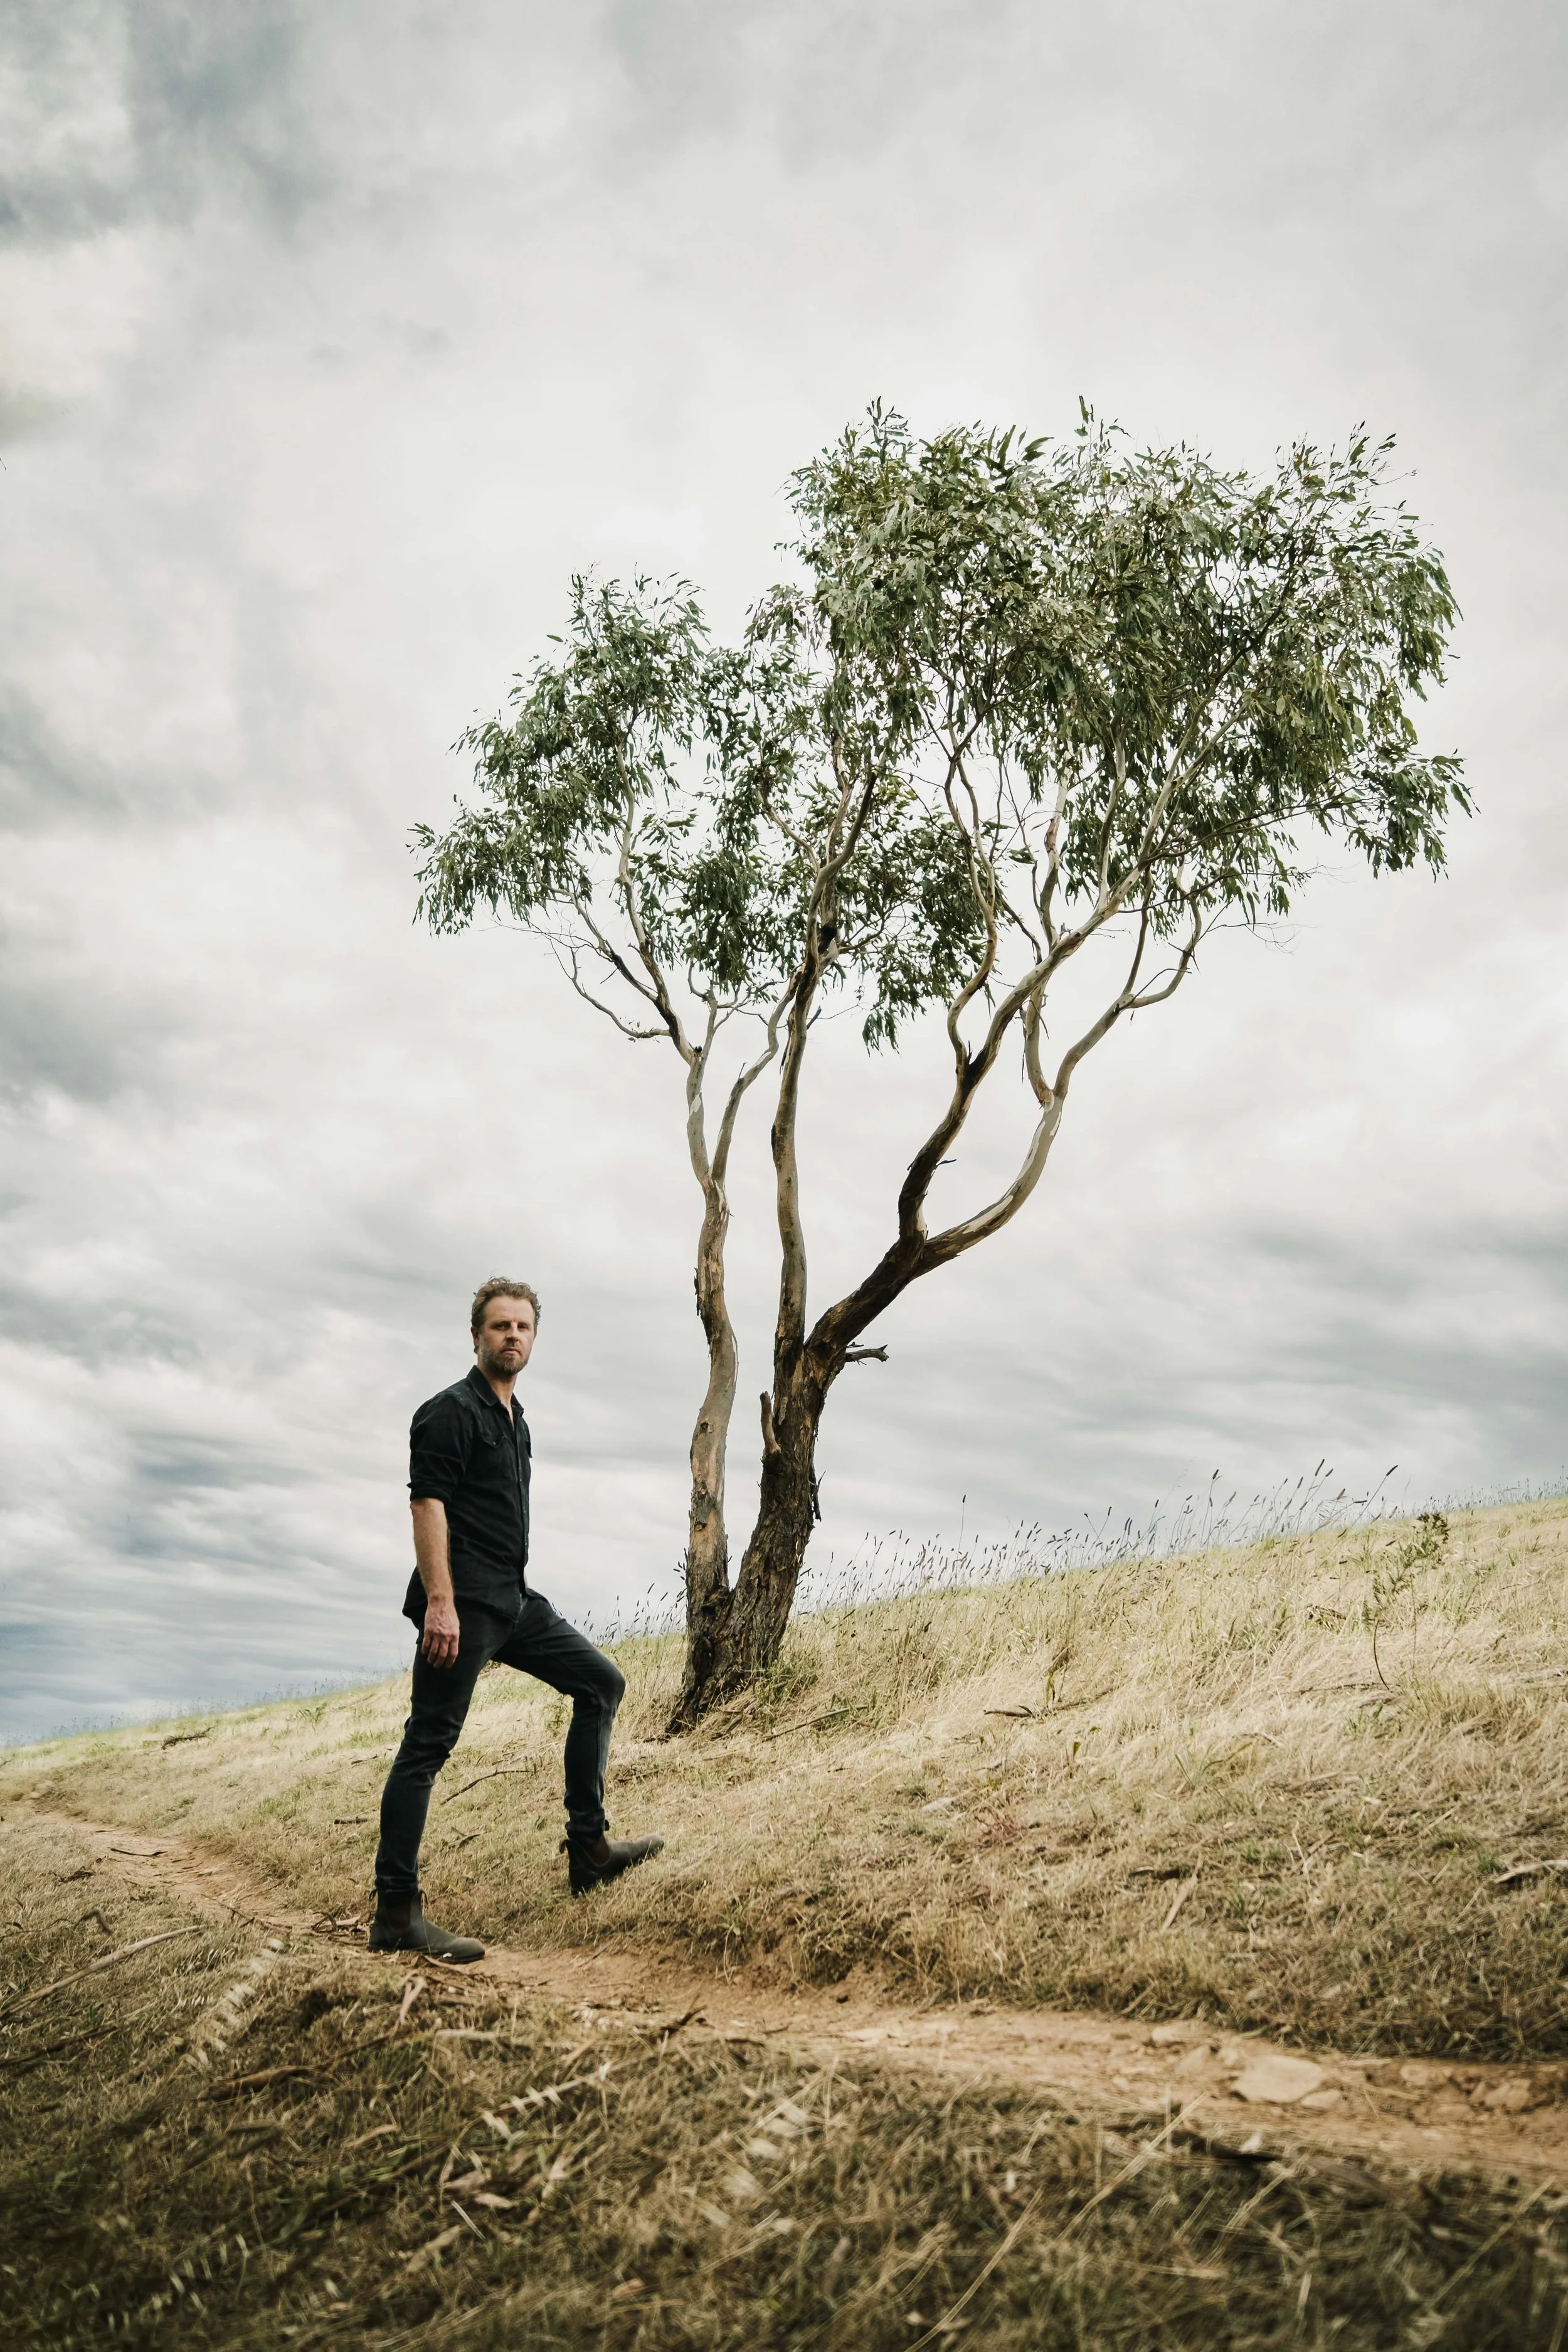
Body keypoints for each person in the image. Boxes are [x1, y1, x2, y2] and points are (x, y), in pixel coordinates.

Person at [370, 1278, 663, 1960]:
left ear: (533, 1337)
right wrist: (440, 1603)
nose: (511, 1336)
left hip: (513, 1600)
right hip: (463, 1605)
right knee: (428, 1745)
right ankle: (395, 1914)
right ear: (475, 1335)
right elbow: (428, 1508)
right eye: (499, 1326)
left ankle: (589, 1850)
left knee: (601, 1684)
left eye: (522, 1327)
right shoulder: (447, 1412)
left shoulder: (515, 1420)